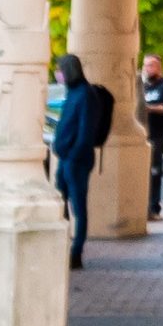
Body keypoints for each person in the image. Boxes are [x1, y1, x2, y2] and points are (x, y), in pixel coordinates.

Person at [53, 53, 115, 268]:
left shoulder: (85, 95)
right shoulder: (73, 93)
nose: (58, 74)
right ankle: (64, 244)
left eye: (60, 70)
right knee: (61, 202)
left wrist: (74, 153)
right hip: (67, 158)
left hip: (76, 159)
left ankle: (76, 250)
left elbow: (85, 130)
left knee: (79, 207)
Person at [142, 55, 163, 218]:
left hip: (158, 135)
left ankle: (154, 206)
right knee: (143, 172)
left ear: (159, 67)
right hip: (144, 134)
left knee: (155, 171)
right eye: (146, 65)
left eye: (151, 65)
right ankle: (144, 205)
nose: (148, 69)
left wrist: (147, 108)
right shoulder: (144, 87)